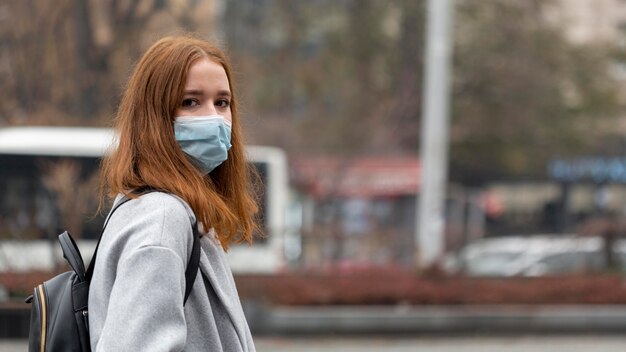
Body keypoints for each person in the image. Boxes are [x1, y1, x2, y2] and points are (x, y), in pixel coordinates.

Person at [89, 35, 259, 351]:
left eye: (222, 102)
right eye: (190, 102)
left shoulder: (161, 208)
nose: (213, 117)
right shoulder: (163, 219)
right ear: (154, 116)